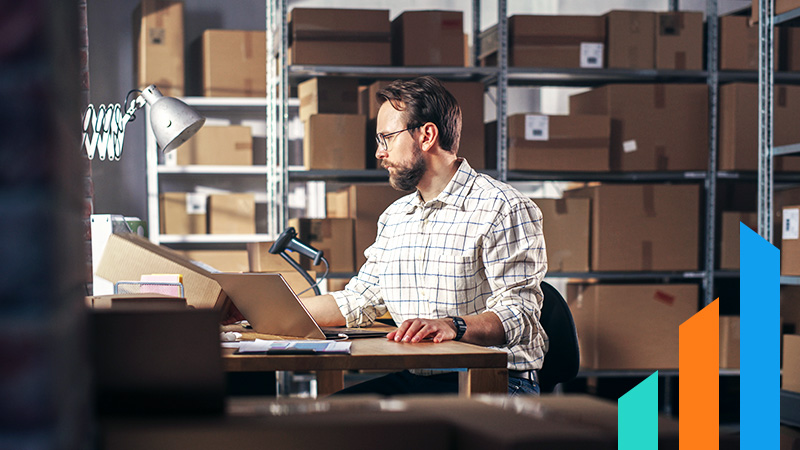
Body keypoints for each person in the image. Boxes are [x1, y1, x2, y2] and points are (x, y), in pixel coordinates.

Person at [300, 76, 549, 396]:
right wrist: (265, 312)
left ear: (427, 135)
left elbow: (520, 314)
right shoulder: (396, 218)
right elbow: (358, 301)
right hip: (420, 377)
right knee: (321, 420)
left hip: (493, 380)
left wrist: (453, 326)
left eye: (386, 138)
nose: (379, 152)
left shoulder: (502, 208)